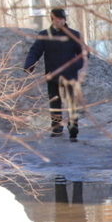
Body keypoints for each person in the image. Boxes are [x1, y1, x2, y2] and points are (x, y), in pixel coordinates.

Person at [24, 8, 85, 139]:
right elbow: (35, 51)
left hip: (70, 75)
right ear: (52, 20)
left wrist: (74, 67)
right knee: (55, 102)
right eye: (56, 19)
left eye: (61, 19)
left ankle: (73, 126)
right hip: (52, 74)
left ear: (65, 20)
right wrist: (29, 64)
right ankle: (57, 127)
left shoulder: (74, 35)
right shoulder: (45, 35)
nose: (58, 21)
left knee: (71, 102)